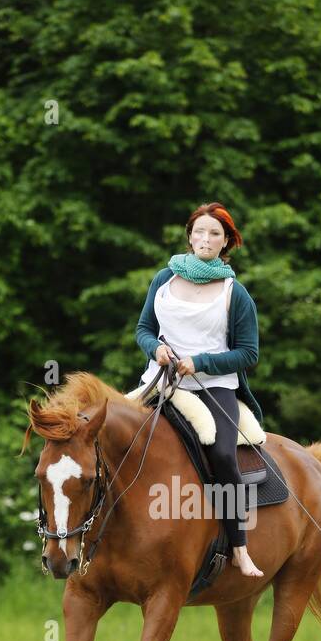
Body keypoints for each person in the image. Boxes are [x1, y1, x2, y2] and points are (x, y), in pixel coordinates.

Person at [136, 202, 264, 576]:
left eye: (214, 234)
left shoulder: (234, 293)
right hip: (158, 382)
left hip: (212, 388)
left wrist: (202, 361)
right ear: (189, 235)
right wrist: (155, 348)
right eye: (199, 231)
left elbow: (249, 353)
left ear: (226, 242)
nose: (205, 239)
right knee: (113, 437)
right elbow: (143, 328)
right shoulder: (163, 279)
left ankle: (239, 547)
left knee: (223, 454)